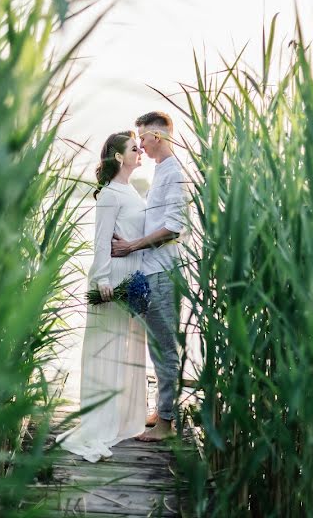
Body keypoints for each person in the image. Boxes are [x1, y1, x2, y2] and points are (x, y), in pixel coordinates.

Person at [57, 130, 148, 462]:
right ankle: (100, 422)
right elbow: (100, 243)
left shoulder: (132, 191)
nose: (141, 152)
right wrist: (103, 280)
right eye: (134, 149)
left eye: (140, 147)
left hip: (133, 278)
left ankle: (124, 418)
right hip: (115, 281)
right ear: (119, 157)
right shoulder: (110, 194)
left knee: (126, 350)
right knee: (108, 350)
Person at [111, 111, 185, 442]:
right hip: (151, 271)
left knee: (166, 347)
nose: (140, 144)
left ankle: (167, 425)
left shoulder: (174, 174)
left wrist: (131, 246)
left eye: (142, 138)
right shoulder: (161, 172)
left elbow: (172, 227)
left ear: (157, 136)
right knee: (157, 346)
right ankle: (162, 411)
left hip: (163, 272)